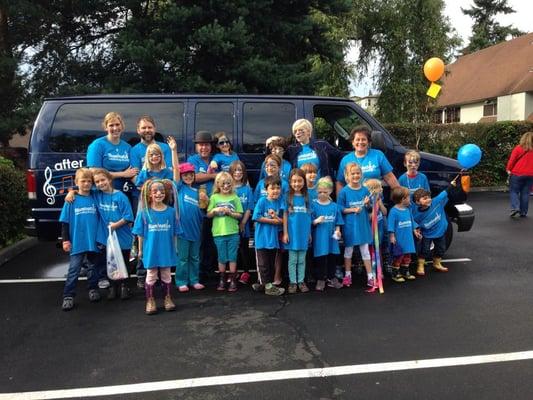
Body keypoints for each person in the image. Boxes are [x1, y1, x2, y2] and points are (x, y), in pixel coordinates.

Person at [65, 168, 135, 300]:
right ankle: (113, 287)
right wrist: (72, 192)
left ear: (109, 180)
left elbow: (128, 217)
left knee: (123, 263)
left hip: (122, 237)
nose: (100, 183)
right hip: (106, 238)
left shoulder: (120, 196)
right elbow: (82, 191)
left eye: (103, 180)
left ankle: (125, 286)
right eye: (97, 182)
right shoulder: (97, 194)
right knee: (111, 263)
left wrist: (115, 225)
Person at [133, 179, 180, 315]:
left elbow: (175, 233)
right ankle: (150, 300)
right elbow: (140, 234)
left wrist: (175, 248)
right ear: (149, 194)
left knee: (166, 274)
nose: (159, 194)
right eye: (155, 191)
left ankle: (168, 298)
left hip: (166, 249)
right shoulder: (144, 213)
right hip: (151, 250)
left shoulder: (171, 212)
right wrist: (141, 250)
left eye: (161, 191)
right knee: (151, 275)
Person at [60, 168, 101, 311]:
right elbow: (65, 222)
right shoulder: (71, 200)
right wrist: (65, 240)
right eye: (83, 181)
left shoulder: (95, 197)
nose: (86, 184)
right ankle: (68, 295)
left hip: (93, 240)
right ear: (76, 182)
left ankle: (93, 288)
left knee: (92, 267)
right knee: (74, 269)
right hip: (77, 241)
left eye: (89, 181)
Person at [187, 130, 218, 282]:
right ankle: (198, 271)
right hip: (198, 205)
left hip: (215, 205)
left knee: (211, 239)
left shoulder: (215, 160)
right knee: (199, 238)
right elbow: (193, 177)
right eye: (200, 145)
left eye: (206, 145)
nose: (203, 148)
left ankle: (209, 268)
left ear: (211, 147)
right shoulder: (193, 160)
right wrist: (213, 175)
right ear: (196, 147)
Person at [338, 163, 375, 289]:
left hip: (363, 225)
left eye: (357, 173)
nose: (355, 175)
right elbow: (340, 209)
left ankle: (370, 276)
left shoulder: (365, 190)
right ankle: (348, 275)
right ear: (347, 176)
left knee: (365, 251)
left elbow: (370, 209)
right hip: (350, 227)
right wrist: (352, 210)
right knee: (349, 251)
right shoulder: (344, 192)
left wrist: (368, 203)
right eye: (352, 173)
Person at [206, 172, 243, 291]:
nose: (226, 186)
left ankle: (232, 279)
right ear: (218, 185)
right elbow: (208, 214)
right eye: (223, 184)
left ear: (231, 184)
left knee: (232, 257)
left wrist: (230, 213)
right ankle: (222, 279)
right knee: (221, 257)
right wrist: (215, 210)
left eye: (228, 184)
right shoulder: (214, 197)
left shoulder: (235, 197)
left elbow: (239, 215)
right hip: (218, 233)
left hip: (232, 232)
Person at [336, 125, 399, 195]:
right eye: (357, 139)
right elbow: (340, 183)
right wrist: (340, 203)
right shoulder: (346, 160)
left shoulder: (378, 155)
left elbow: (389, 177)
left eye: (363, 139)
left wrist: (400, 196)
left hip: (375, 200)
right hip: (353, 202)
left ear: (368, 142)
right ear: (353, 142)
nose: (360, 142)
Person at [86, 112, 138, 196]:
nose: (115, 128)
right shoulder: (97, 145)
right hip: (101, 193)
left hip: (123, 194)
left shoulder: (127, 147)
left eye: (117, 124)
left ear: (122, 126)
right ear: (105, 127)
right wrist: (123, 174)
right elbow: (94, 172)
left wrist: (144, 185)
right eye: (111, 125)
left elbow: (132, 172)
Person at [174, 162, 207, 292]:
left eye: (190, 175)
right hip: (182, 230)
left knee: (195, 257)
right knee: (182, 258)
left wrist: (205, 199)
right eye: (185, 175)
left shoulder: (198, 191)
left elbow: (203, 208)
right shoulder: (179, 188)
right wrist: (173, 150)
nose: (188, 177)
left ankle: (194, 280)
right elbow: (176, 173)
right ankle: (181, 281)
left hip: (196, 229)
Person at [251, 176, 286, 296]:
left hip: (273, 240)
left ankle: (264, 285)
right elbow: (256, 217)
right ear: (266, 189)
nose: (275, 190)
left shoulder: (280, 202)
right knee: (263, 264)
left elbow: (282, 220)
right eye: (272, 188)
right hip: (262, 239)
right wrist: (272, 221)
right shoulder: (262, 201)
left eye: (278, 188)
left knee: (271, 264)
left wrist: (275, 217)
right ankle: (267, 286)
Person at [310, 177, 344, 291]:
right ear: (316, 191)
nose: (322, 194)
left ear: (330, 191)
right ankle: (320, 279)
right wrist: (315, 221)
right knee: (321, 259)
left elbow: (338, 221)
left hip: (332, 238)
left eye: (325, 192)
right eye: (320, 192)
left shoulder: (334, 206)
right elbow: (310, 222)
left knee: (332, 258)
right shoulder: (313, 205)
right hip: (320, 238)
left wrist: (338, 230)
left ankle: (331, 277)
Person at [282, 168, 312, 294]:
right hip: (292, 233)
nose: (297, 184)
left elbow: (309, 216)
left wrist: (309, 233)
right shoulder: (288, 196)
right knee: (293, 259)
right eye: (294, 181)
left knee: (302, 260)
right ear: (290, 182)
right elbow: (284, 215)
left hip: (303, 233)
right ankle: (293, 282)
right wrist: (285, 233)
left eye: (299, 181)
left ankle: (301, 281)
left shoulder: (307, 196)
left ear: (304, 182)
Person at [412, 187, 452, 276]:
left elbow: (445, 192)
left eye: (429, 197)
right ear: (417, 202)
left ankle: (437, 263)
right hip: (427, 234)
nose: (428, 200)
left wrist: (452, 185)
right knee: (424, 250)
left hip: (440, 232)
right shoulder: (415, 214)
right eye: (425, 198)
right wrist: (416, 228)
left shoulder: (436, 202)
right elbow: (412, 221)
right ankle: (420, 265)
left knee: (441, 249)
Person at [387, 186, 422, 283]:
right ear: (403, 199)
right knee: (399, 256)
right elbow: (390, 225)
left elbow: (411, 221)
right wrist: (392, 236)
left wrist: (415, 230)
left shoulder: (407, 210)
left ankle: (405, 271)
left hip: (408, 238)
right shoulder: (393, 211)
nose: (410, 199)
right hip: (399, 239)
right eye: (408, 197)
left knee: (407, 255)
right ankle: (396, 273)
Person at [229, 160, 254, 285]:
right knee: (232, 249)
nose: (238, 173)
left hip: (243, 224)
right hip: (230, 225)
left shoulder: (247, 189)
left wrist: (243, 222)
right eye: (235, 170)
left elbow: (249, 208)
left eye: (240, 170)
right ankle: (234, 272)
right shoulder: (228, 188)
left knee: (244, 248)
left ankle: (246, 272)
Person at [506, 131, 533, 217]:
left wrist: (508, 169)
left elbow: (512, 160)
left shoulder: (518, 148)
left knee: (514, 191)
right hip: (530, 175)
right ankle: (523, 212)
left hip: (517, 174)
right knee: (525, 193)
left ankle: (515, 208)